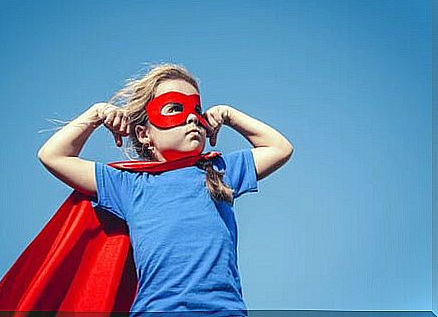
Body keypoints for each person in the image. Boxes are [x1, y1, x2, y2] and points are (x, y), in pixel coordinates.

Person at [37, 63, 294, 316]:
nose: (193, 117)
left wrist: (230, 115)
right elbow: (53, 156)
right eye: (175, 108)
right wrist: (95, 115)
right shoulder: (129, 185)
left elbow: (279, 149)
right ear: (144, 134)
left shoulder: (219, 170)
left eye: (197, 109)